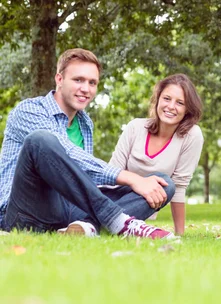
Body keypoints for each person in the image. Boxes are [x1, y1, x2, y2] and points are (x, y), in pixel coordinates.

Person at [0, 48, 176, 239]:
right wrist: (131, 178)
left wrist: (139, 183)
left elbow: (81, 177)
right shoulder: (29, 110)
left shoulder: (84, 123)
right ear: (59, 79)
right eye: (78, 80)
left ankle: (85, 227)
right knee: (40, 140)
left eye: (92, 83)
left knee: (161, 183)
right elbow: (68, 153)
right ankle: (117, 222)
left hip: (66, 211)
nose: (86, 89)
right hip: (25, 212)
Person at [109, 74, 204, 236]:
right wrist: (137, 183)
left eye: (180, 103)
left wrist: (179, 233)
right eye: (167, 98)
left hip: (138, 205)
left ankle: (94, 223)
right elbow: (111, 173)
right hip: (112, 196)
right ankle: (99, 221)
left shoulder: (192, 136)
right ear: (158, 99)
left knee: (165, 184)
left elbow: (179, 186)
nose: (171, 106)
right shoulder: (135, 127)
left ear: (188, 109)